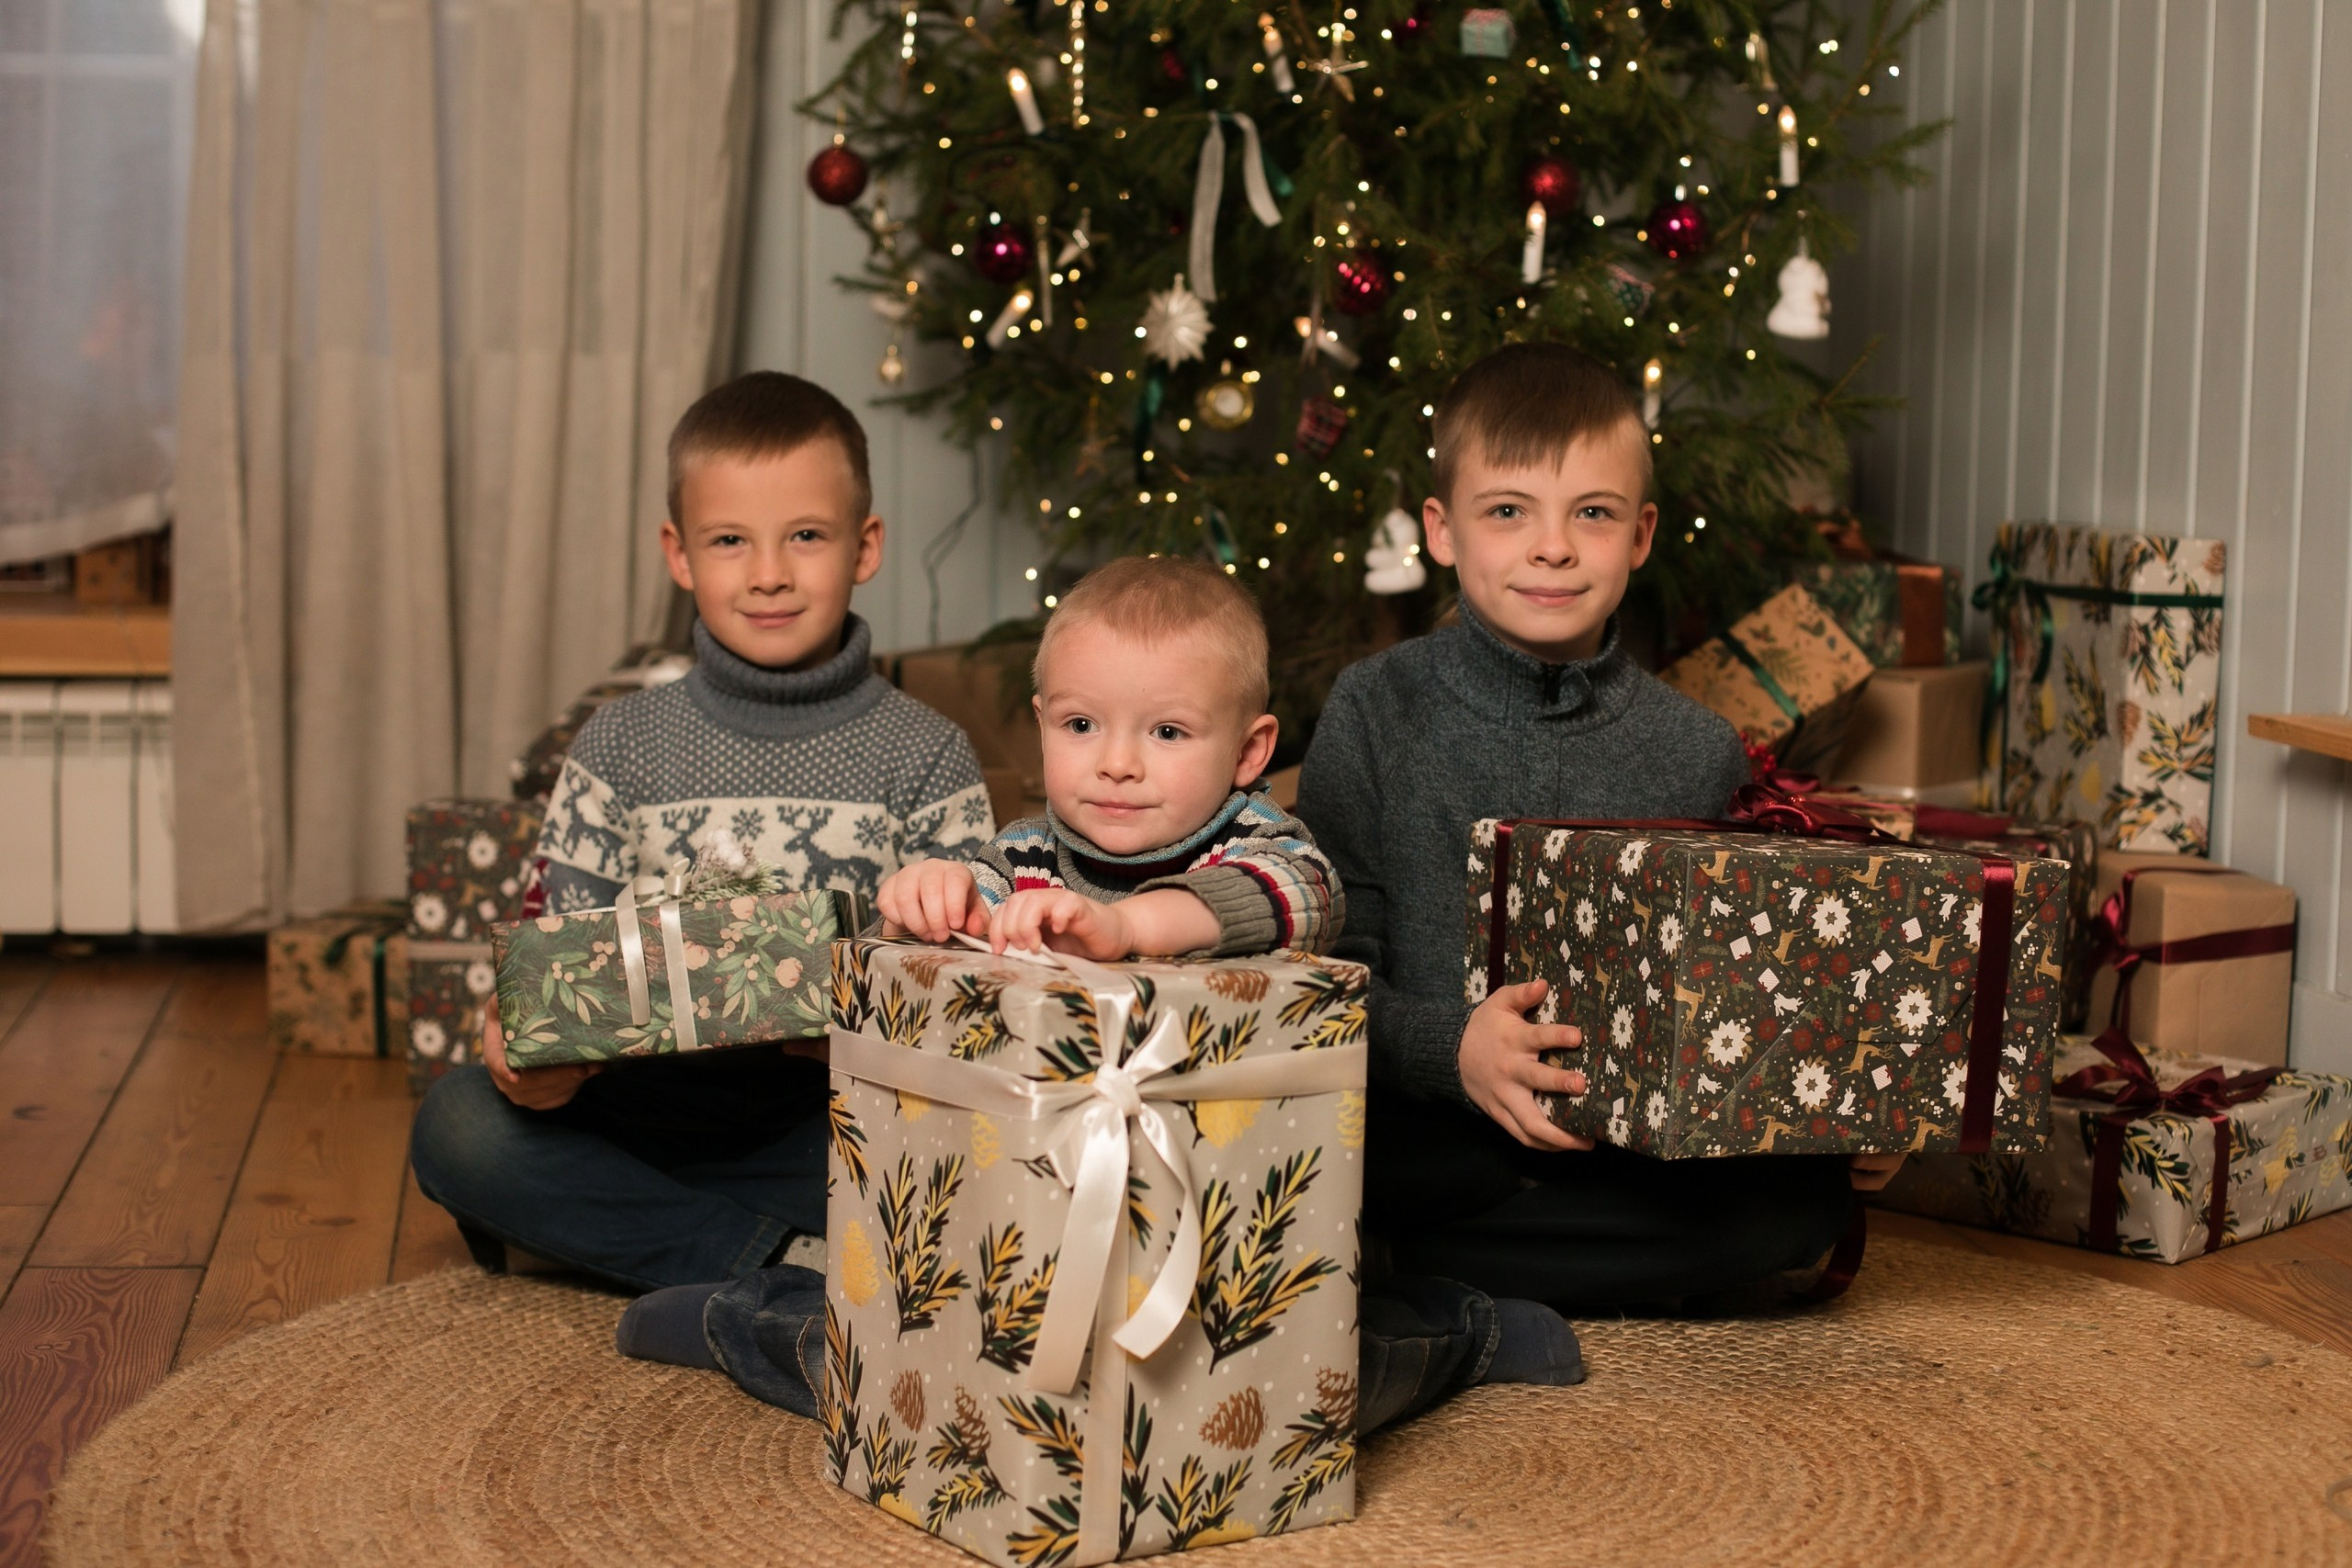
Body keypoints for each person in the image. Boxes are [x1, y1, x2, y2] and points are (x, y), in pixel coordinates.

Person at [610, 557, 1577, 1418]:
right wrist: (928, 896)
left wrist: (1129, 926)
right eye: (1081, 725)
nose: (1116, 762)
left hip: (1219, 1235)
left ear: (1248, 752)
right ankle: (752, 1319)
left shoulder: (1263, 843)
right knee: (911, 1370)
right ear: (1042, 727)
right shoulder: (1023, 858)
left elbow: (1296, 899)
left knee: (1301, 1395)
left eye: (1165, 730)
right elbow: (952, 928)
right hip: (1017, 1224)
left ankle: (1458, 1332)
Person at [1295, 343, 1904, 1412]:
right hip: (1427, 1122)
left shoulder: (1694, 749)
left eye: (1591, 514)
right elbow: (1329, 981)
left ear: (1640, 535)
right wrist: (1456, 1049)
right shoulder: (1372, 711)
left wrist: (1829, 1114)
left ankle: (1417, 1282)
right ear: (1441, 532)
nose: (1551, 550)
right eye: (1507, 512)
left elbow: (1733, 1002)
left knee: (1797, 1214)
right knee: (1340, 1161)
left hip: (1620, 1141)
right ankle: (1439, 1270)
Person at [408, 371, 993, 1293]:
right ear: (679, 556)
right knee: (460, 1127)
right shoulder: (620, 745)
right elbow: (552, 967)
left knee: (986, 1163)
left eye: (805, 536)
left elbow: (974, 993)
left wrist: (859, 1019)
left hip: (829, 1117)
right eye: (730, 542)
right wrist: (527, 1060)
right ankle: (777, 1264)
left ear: (864, 546)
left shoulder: (924, 754)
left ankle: (658, 1242)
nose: (768, 573)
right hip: (641, 1109)